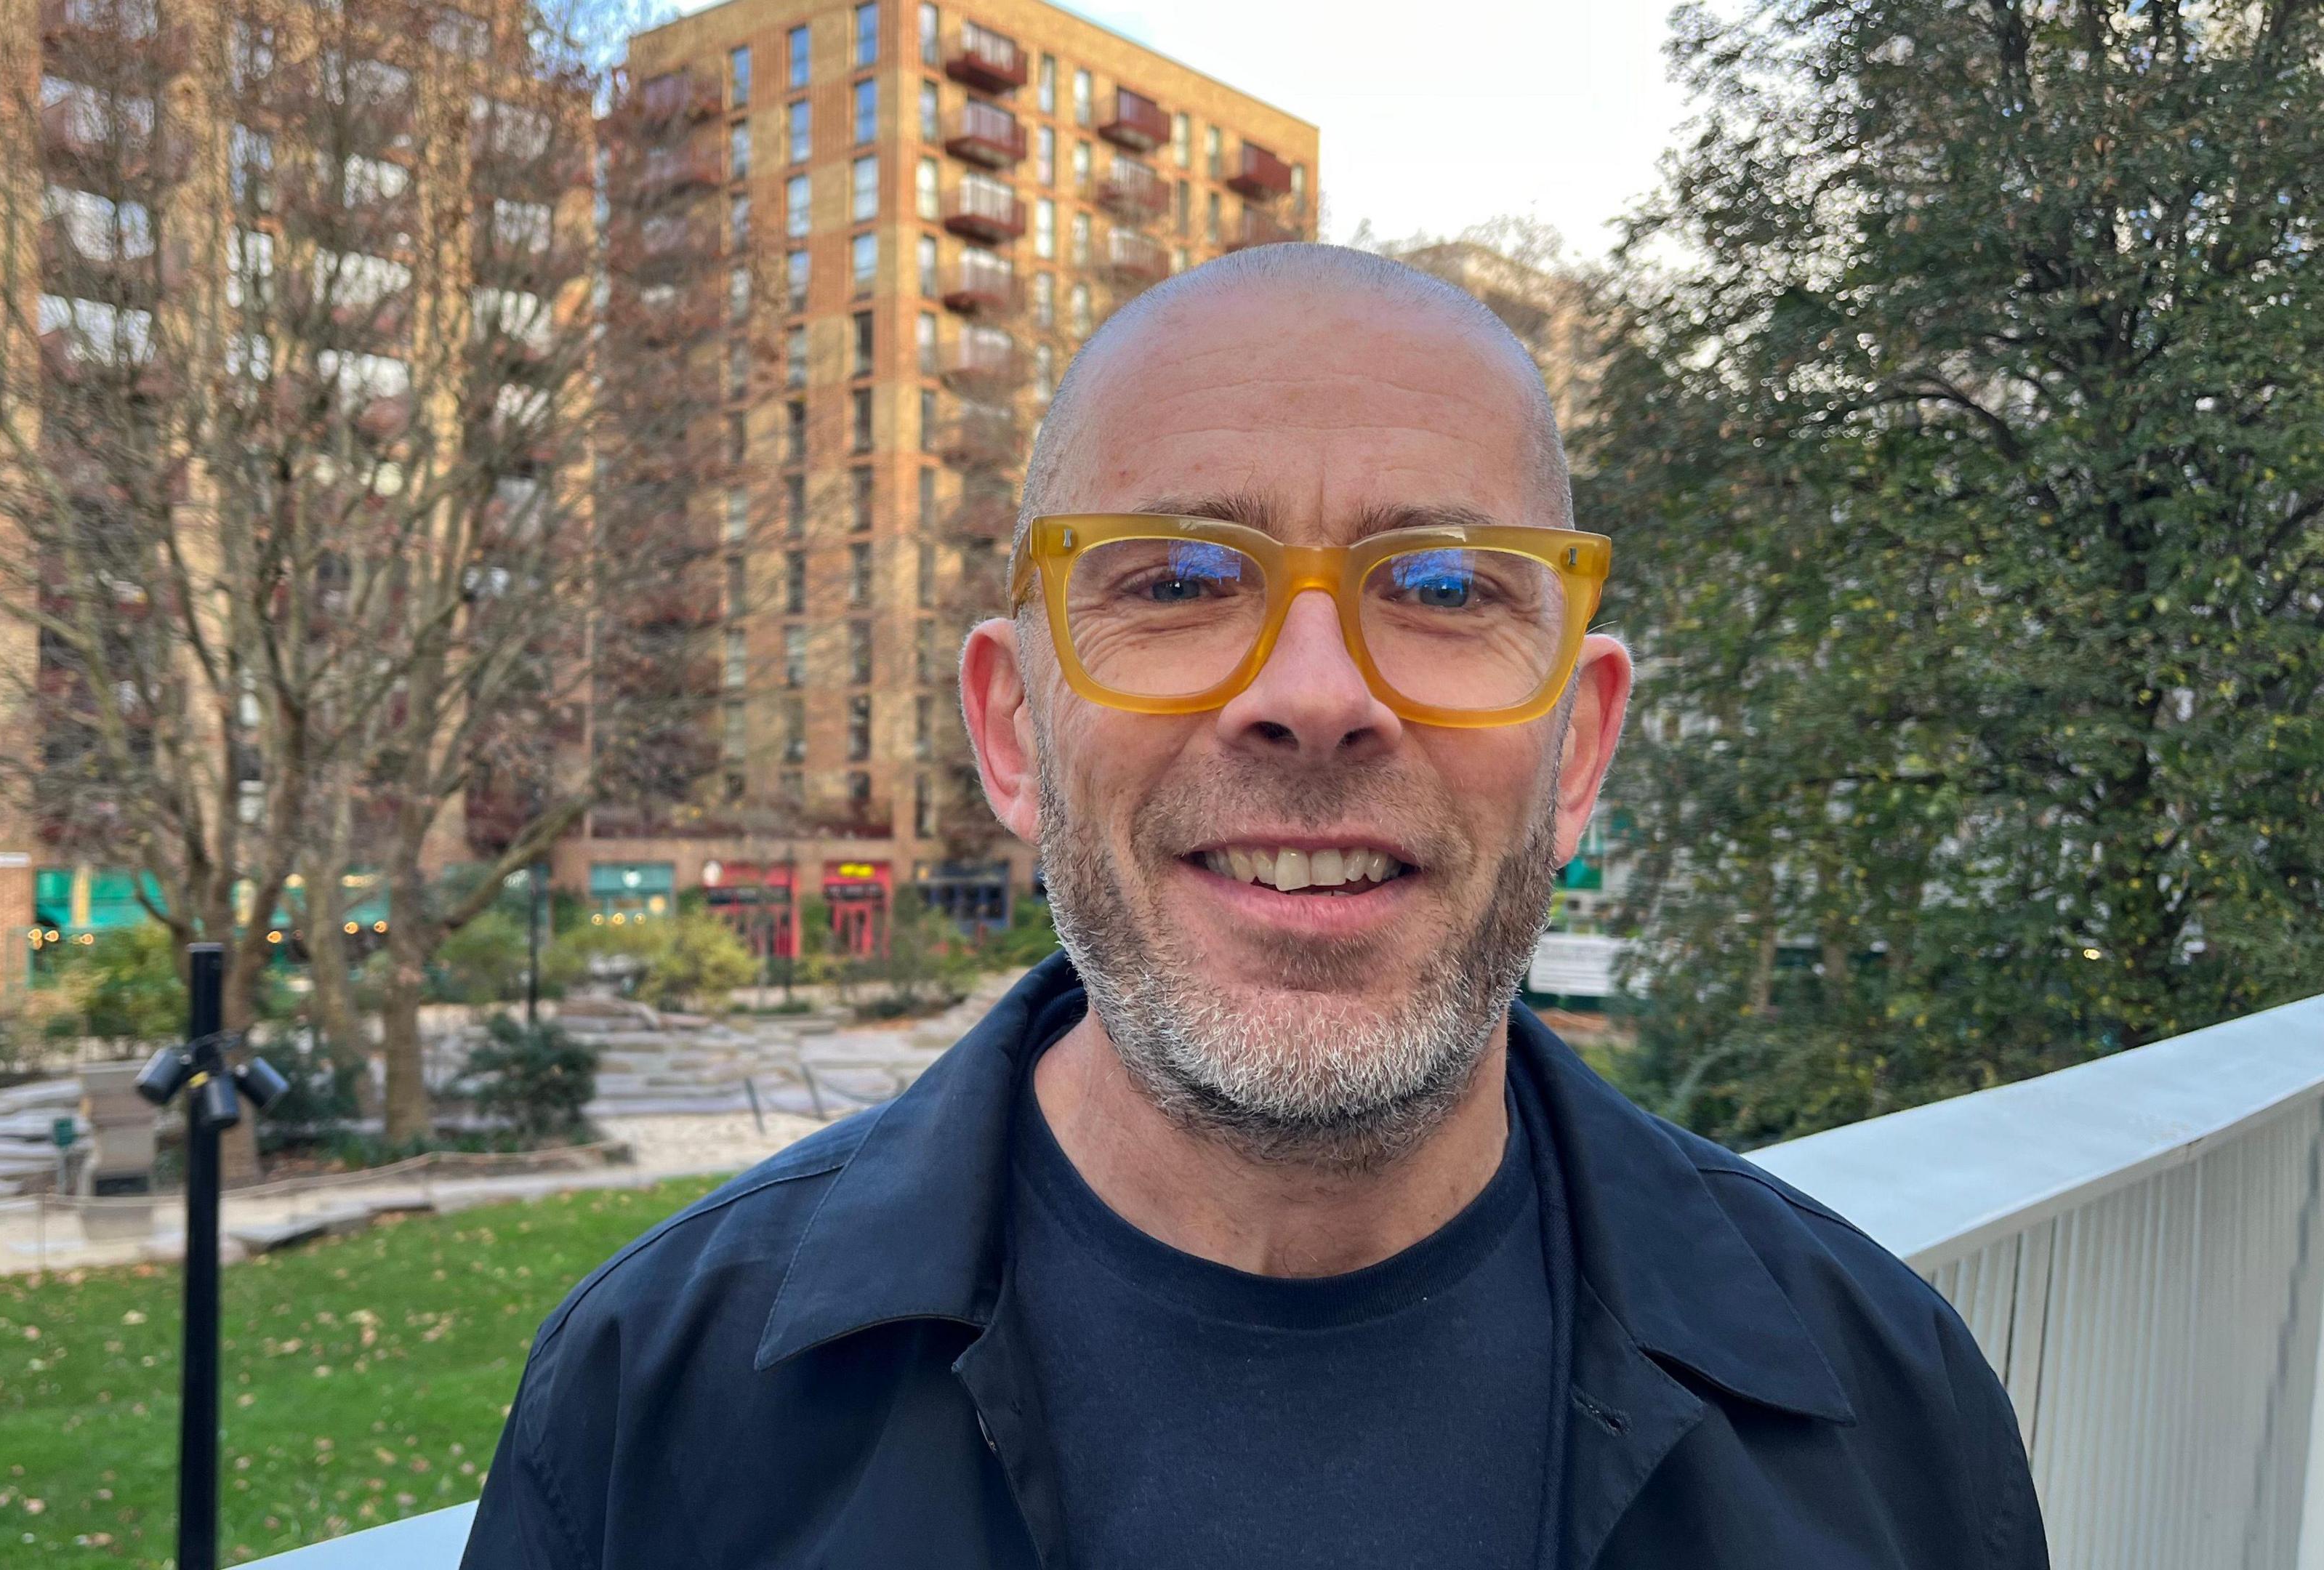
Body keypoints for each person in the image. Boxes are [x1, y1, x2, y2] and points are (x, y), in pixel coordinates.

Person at [459, 243, 2048, 1569]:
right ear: (1015, 733)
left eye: (1440, 588)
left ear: (1580, 746)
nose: (1313, 697)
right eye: (1176, 581)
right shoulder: (650, 1409)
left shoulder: (1890, 1420)